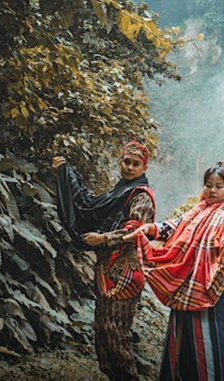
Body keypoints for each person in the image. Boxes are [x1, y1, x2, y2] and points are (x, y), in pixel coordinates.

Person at [124, 162, 224, 381]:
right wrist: (149, 228)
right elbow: (173, 227)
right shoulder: (195, 213)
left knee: (211, 341)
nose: (212, 190)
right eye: (209, 185)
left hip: (213, 287)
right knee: (183, 341)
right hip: (186, 285)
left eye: (219, 186)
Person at [53, 140, 155, 381]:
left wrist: (103, 238)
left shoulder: (141, 197)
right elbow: (89, 206)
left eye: (135, 164)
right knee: (103, 335)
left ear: (144, 168)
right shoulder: (119, 191)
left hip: (125, 273)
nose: (129, 167)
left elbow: (136, 231)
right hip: (107, 271)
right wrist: (65, 173)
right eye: (126, 162)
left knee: (116, 334)